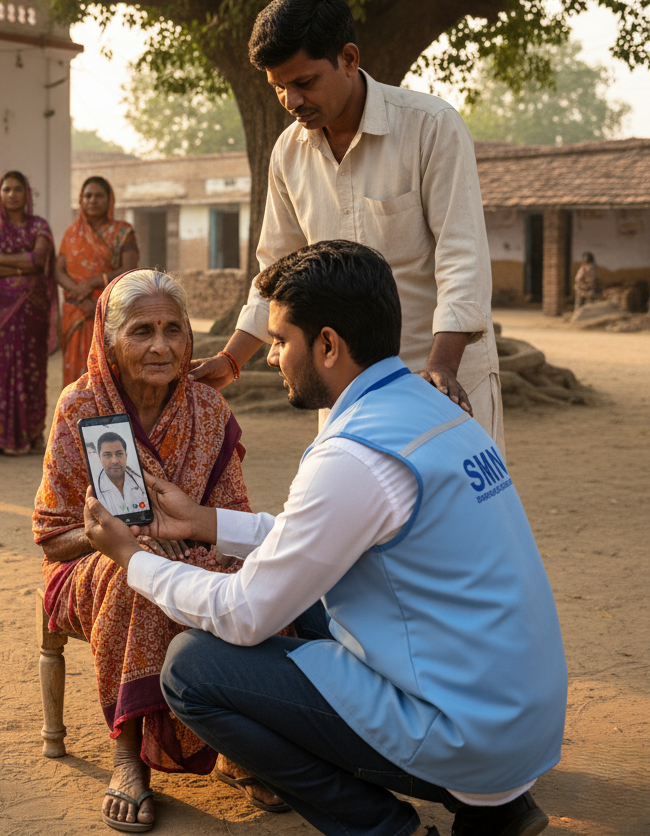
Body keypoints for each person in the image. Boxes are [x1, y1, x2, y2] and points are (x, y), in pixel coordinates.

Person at [84, 240, 567, 836]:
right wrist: (203, 521)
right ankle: (501, 808)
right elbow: (309, 540)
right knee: (307, 594)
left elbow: (244, 616)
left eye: (281, 341)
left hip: (467, 735)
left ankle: (388, 829)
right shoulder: (430, 409)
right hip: (520, 719)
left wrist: (133, 559)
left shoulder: (354, 455)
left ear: (329, 345)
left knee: (193, 670)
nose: (270, 358)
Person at [191, 0, 503, 450]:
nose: (292, 100)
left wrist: (442, 367)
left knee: (454, 514)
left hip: (440, 376)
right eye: (279, 88)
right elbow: (277, 272)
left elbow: (463, 257)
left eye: (305, 82)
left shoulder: (430, 127)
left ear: (349, 58)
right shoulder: (288, 153)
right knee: (357, 517)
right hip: (343, 386)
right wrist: (232, 359)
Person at [34, 269, 274, 834]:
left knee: (255, 572)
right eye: (142, 331)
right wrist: (114, 540)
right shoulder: (81, 407)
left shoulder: (207, 411)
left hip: (194, 552)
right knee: (135, 577)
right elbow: (51, 536)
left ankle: (237, 741)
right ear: (110, 341)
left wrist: (183, 530)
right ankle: (128, 754)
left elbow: (233, 522)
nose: (162, 346)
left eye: (174, 329)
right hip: (91, 566)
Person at [0, 170, 58, 455]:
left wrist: (2, 261)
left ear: (27, 193)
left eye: (17, 189)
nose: (11, 195)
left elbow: (38, 260)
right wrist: (20, 266)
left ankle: (31, 433)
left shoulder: (39, 226)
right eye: (6, 189)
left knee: (29, 370)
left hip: (30, 313)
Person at [56, 176, 139, 387]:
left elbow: (129, 268)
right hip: (76, 311)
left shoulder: (123, 232)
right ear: (81, 200)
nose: (93, 200)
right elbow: (58, 270)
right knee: (76, 377)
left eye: (99, 195)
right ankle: (74, 418)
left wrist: (93, 282)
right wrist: (77, 292)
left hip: (108, 311)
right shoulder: (72, 234)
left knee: (108, 375)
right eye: (88, 196)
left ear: (109, 199)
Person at [91, 431, 146, 514]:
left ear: (126, 456)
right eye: (107, 455)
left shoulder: (141, 484)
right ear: (99, 458)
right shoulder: (95, 492)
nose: (115, 461)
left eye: (119, 454)